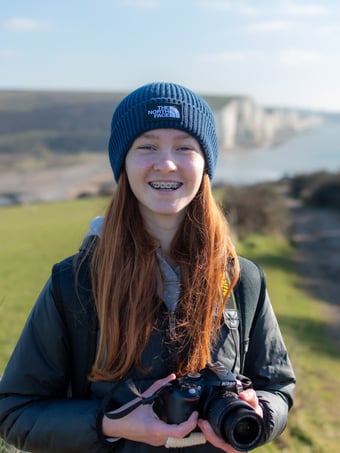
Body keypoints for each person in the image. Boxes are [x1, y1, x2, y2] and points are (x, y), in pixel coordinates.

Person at [0, 82, 295, 453]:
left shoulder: (242, 279)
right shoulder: (74, 284)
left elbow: (279, 388)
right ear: (123, 162)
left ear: (205, 163)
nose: (166, 163)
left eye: (185, 147)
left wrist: (257, 415)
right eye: (147, 146)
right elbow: (14, 412)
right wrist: (110, 425)